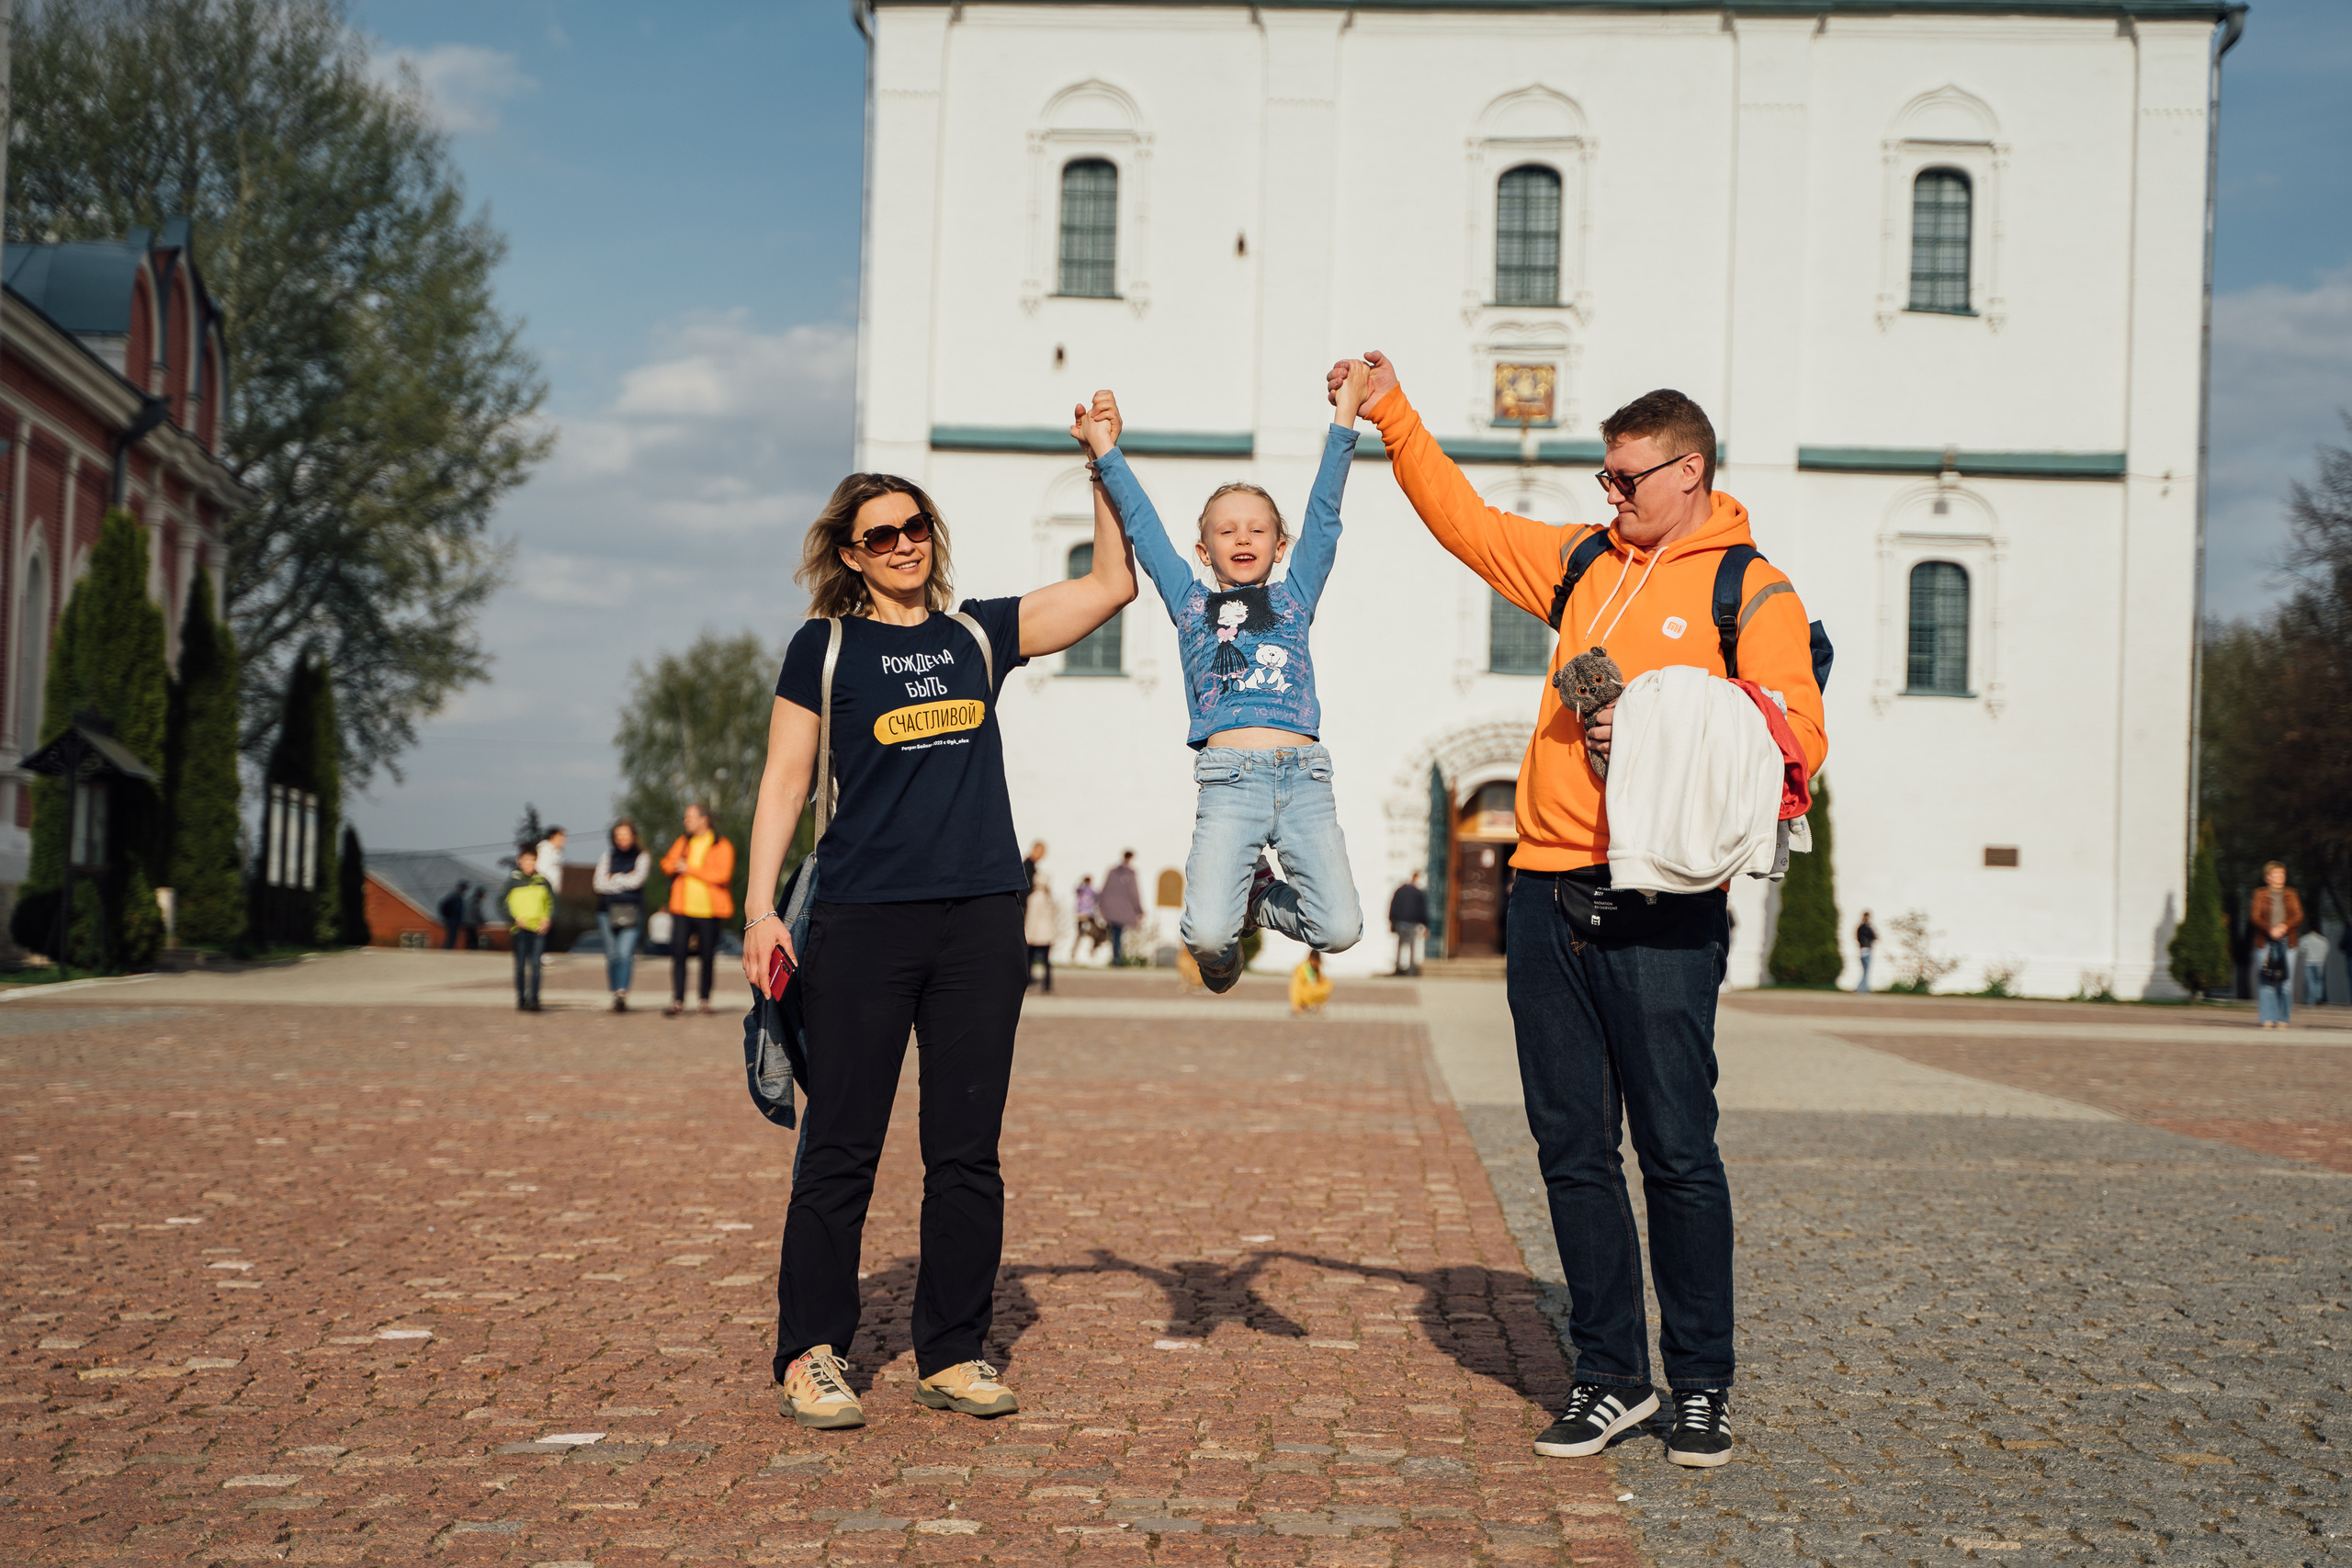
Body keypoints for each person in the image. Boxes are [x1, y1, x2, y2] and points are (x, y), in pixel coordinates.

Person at [1338, 352, 1825, 1470]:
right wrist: (1394, 412)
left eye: (1625, 479)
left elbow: (1796, 737)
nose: (1608, 497)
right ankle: (1612, 1378)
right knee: (1570, 1152)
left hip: (1661, 901)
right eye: (1603, 480)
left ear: (1687, 470)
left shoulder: (1748, 590)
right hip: (1544, 888)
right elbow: (1464, 522)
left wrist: (1651, 727)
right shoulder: (1579, 565)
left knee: (1677, 1153)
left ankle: (1701, 1381)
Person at [736, 405, 1136, 1431]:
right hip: (861, 922)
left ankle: (952, 1351)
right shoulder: (820, 648)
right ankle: (811, 1351)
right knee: (842, 1146)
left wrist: (1105, 467)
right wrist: (756, 909)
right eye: (881, 534)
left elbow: (1109, 585)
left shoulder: (977, 634)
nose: (904, 544)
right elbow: (783, 783)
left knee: (965, 1150)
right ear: (849, 554)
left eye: (915, 527)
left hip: (979, 922)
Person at [1083, 368, 1369, 995]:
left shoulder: (1296, 595)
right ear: (1205, 549)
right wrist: (1106, 451)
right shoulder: (1189, 602)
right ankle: (1224, 949)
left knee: (1341, 928)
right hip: (1229, 782)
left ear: (1280, 543)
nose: (1243, 536)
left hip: (1304, 779)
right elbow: (1144, 527)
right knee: (1208, 934)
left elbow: (1325, 514)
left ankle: (1259, 896)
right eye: (1226, 529)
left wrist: (1345, 417)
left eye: (1257, 528)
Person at [660, 804, 735, 1018]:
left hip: (709, 912)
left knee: (707, 957)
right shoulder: (683, 842)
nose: (686, 821)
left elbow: (723, 875)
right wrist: (675, 866)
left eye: (689, 817)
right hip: (682, 909)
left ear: (704, 819)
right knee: (679, 954)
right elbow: (666, 864)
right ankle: (678, 999)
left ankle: (704, 999)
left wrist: (689, 869)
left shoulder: (721, 845)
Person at [594, 820, 650, 1012]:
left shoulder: (642, 857)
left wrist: (613, 878)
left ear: (633, 836)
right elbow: (598, 884)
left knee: (625, 953)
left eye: (625, 835)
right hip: (606, 911)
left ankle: (621, 992)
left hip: (631, 912)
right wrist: (624, 879)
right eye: (618, 836)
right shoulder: (607, 856)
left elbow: (637, 881)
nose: (622, 840)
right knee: (612, 956)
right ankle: (614, 991)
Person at [2250, 862, 2302, 1029]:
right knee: (2266, 980)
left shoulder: (2291, 894)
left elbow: (2298, 915)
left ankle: (2283, 1019)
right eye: (2276, 874)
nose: (2280, 877)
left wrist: (2284, 926)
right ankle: (2267, 1018)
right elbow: (2255, 917)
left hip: (2288, 942)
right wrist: (2269, 929)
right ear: (2268, 877)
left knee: (2285, 982)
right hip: (2265, 942)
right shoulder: (2260, 894)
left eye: (2282, 874)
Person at [503, 847, 554, 1012]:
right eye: (526, 860)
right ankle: (521, 998)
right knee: (520, 966)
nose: (529, 864)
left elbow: (552, 903)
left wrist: (547, 919)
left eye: (532, 860)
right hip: (520, 930)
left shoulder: (542, 881)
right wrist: (514, 919)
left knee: (536, 965)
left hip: (538, 929)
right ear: (519, 862)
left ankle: (534, 999)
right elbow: (501, 903)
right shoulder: (512, 882)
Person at [1100, 851, 1144, 964]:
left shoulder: (1112, 871)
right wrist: (1139, 910)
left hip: (1110, 909)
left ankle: (1115, 957)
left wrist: (1102, 906)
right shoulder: (1130, 873)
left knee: (1115, 933)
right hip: (1122, 910)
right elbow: (1134, 893)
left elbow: (1104, 890)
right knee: (1118, 934)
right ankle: (1117, 958)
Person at [1023, 863, 1057, 994]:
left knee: (1030, 959)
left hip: (1036, 932)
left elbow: (1032, 917)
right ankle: (1047, 984)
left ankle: (1029, 982)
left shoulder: (1034, 898)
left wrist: (1028, 934)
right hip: (1047, 932)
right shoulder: (1049, 897)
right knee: (1046, 961)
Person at [1388, 871, 1429, 976]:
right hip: (1411, 923)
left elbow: (1393, 906)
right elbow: (1422, 910)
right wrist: (1425, 925)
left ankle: (1398, 969)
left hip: (1400, 923)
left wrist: (1392, 921)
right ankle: (1411, 971)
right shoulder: (1418, 893)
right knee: (1412, 947)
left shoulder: (1399, 891)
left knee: (1400, 947)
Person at [1072, 874, 1107, 961]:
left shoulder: (1081, 890)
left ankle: (1074, 952)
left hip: (1081, 915)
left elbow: (1075, 890)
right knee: (1095, 933)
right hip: (1089, 915)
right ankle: (1091, 951)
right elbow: (1099, 897)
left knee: (1079, 935)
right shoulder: (1091, 890)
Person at [1290, 949, 1333, 1016]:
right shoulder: (1302, 969)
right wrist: (1296, 1004)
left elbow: (1321, 981)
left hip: (1312, 992)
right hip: (1304, 994)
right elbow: (1296, 987)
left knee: (1327, 984)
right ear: (1310, 958)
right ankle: (1303, 1006)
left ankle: (1316, 1006)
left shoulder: (1316, 969)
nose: (1315, 964)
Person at [2301, 920, 2330, 1009]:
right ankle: (2318, 997)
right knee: (2319, 981)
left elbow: (2302, 950)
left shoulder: (2305, 939)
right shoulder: (2324, 940)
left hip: (2308, 961)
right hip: (2320, 962)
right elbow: (2326, 950)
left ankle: (2310, 1000)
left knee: (2310, 981)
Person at [437, 881, 469, 951]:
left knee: (451, 936)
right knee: (452, 937)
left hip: (452, 920)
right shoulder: (456, 898)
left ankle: (447, 949)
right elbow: (457, 910)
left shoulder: (456, 897)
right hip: (453, 920)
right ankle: (448, 950)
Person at [537, 826, 567, 891]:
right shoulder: (544, 851)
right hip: (545, 890)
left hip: (554, 890)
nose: (564, 839)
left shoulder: (556, 853)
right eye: (561, 836)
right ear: (553, 837)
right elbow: (541, 871)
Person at [1855, 910, 1878, 993]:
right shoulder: (1867, 928)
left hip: (1862, 949)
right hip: (1867, 949)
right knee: (1866, 970)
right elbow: (1874, 936)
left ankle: (1865, 988)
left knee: (1866, 970)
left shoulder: (1860, 928)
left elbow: (1858, 938)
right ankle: (1860, 988)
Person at [462, 886, 486, 951]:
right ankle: (472, 949)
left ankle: (470, 948)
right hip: (471, 922)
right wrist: (482, 921)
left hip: (466, 921)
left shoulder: (470, 899)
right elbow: (476, 913)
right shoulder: (475, 901)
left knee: (469, 937)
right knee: (473, 937)